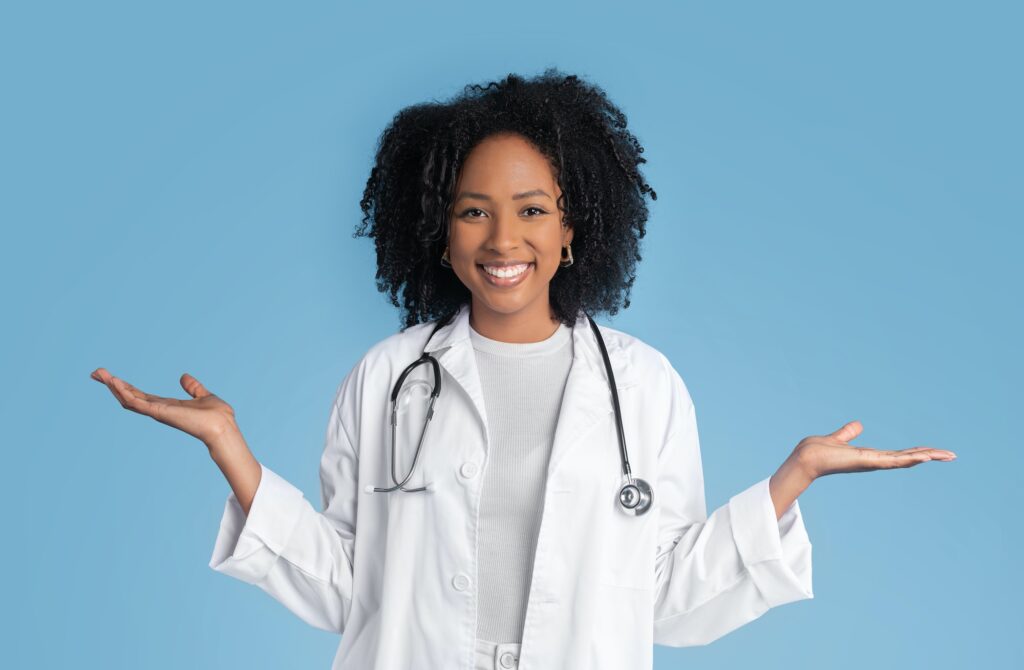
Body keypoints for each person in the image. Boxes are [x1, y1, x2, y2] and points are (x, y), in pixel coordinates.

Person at [91, 69, 956, 670]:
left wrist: (791, 479)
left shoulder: (641, 385)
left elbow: (663, 601)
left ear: (575, 228)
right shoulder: (390, 378)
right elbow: (349, 590)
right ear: (438, 227)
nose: (504, 242)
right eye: (475, 212)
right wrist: (231, 450)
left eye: (533, 211)